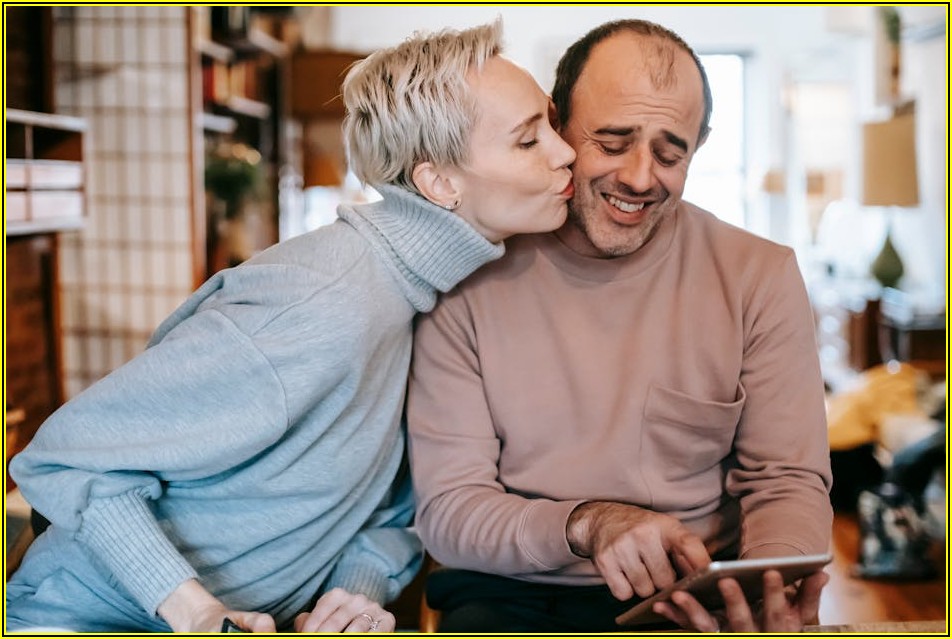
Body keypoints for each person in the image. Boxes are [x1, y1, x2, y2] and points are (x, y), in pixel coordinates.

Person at [5, 20, 575, 634]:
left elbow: (386, 512)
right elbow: (66, 459)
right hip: (86, 617)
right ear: (439, 183)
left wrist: (351, 598)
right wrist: (198, 612)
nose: (565, 151)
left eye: (551, 124)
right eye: (528, 140)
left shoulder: (427, 297)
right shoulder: (318, 306)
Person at [407, 18, 833, 633]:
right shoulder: (467, 274)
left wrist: (770, 585)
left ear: (698, 146)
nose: (638, 177)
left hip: (692, 590)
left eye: (670, 153)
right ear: (556, 126)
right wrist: (587, 523)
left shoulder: (759, 275)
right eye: (611, 144)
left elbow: (785, 480)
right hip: (514, 592)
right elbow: (449, 511)